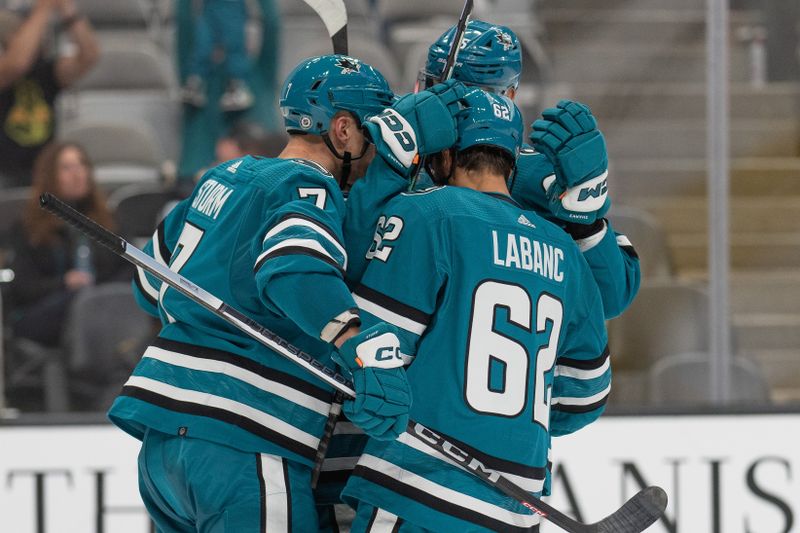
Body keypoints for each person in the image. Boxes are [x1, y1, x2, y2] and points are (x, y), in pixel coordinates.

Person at [107, 54, 415, 532]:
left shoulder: (221, 177)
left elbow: (150, 284)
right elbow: (295, 269)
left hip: (164, 446)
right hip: (244, 437)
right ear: (343, 130)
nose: (373, 152)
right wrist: (357, 342)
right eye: (369, 134)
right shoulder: (309, 185)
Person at [341, 88, 611, 531]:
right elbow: (585, 396)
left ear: (445, 155)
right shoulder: (564, 251)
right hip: (514, 507)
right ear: (512, 162)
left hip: (419, 492)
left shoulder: (428, 213)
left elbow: (374, 347)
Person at [421, 20, 640, 320]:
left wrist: (585, 223)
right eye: (440, 89)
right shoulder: (405, 153)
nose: (451, 106)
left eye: (469, 94)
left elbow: (610, 299)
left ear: (508, 98)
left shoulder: (543, 176)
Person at [6, 141, 122, 348]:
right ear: (49, 176)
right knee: (79, 300)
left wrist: (102, 289)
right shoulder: (28, 228)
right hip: (46, 310)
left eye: (81, 165)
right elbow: (22, 287)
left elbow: (129, 270)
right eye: (66, 167)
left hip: (101, 307)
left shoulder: (108, 221)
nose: (77, 174)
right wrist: (64, 282)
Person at [0, 0, 99, 187]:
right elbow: (17, 64)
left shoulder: (47, 70)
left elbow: (89, 56)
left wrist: (68, 12)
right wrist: (44, 7)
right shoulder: (6, 68)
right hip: (5, 173)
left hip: (44, 172)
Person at [180, 0, 254, 112]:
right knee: (203, 40)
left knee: (233, 40)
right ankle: (195, 83)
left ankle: (237, 85)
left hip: (232, 4)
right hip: (209, 5)